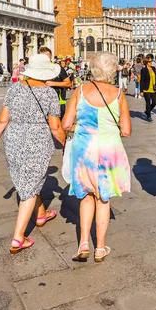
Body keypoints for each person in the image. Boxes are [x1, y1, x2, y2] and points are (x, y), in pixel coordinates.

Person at [0, 54, 66, 254]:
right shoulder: (49, 93)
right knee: (30, 187)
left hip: (13, 139)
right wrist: (67, 144)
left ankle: (41, 214)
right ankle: (18, 237)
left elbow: (3, 119)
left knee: (30, 179)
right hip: (38, 140)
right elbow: (55, 127)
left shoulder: (14, 88)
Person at [62, 52, 131, 262]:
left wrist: (82, 127)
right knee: (103, 199)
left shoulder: (80, 91)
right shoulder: (118, 94)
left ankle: (83, 243)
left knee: (86, 197)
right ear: (112, 70)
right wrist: (109, 130)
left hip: (85, 151)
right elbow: (126, 130)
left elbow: (65, 125)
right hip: (109, 151)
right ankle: (100, 248)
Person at [39, 47, 71, 118]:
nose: (45, 59)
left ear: (51, 56)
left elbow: (68, 83)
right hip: (41, 103)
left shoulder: (58, 68)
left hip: (58, 102)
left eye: (47, 57)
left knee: (58, 126)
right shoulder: (36, 69)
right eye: (42, 57)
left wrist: (53, 83)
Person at [140, 54, 156, 122]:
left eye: (151, 61)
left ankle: (147, 111)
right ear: (146, 62)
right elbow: (142, 81)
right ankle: (149, 116)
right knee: (148, 102)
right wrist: (141, 91)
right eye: (149, 61)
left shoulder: (153, 68)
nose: (151, 62)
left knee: (155, 102)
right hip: (146, 89)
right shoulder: (143, 70)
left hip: (153, 88)